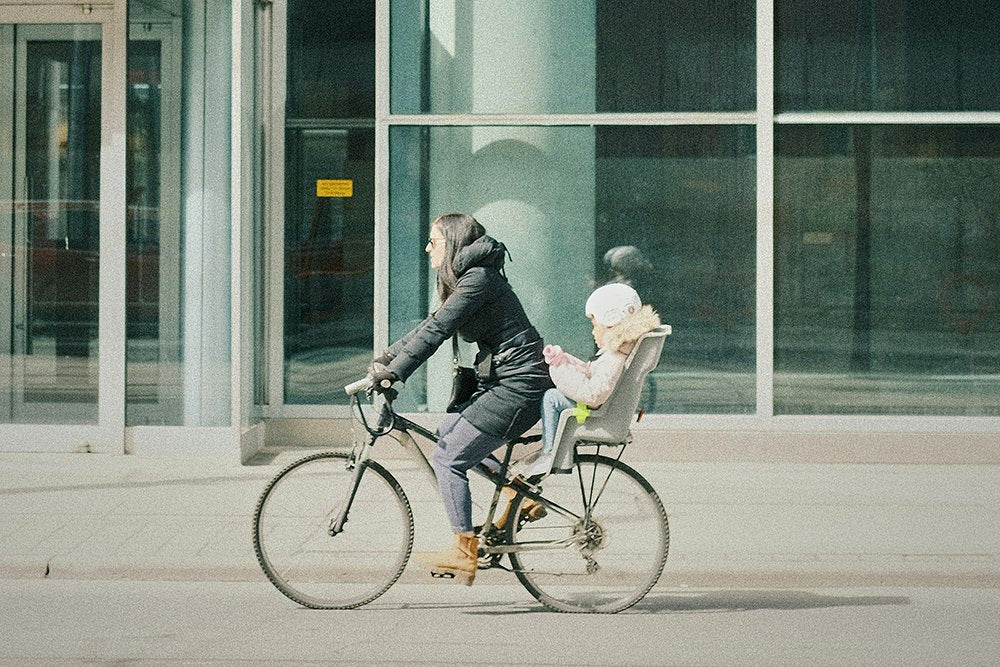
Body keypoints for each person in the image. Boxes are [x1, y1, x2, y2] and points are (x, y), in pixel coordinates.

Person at [369, 213, 552, 586]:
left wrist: (395, 374)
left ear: (451, 242)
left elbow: (438, 330)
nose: (426, 248)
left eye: (433, 241)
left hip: (521, 384)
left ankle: (464, 552)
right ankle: (523, 495)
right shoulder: (473, 278)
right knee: (448, 430)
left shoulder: (479, 279)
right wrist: (387, 358)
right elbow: (432, 322)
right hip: (509, 378)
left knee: (449, 457)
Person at [518, 283, 660, 479]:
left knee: (551, 397)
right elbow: (592, 374)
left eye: (595, 324)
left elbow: (594, 393)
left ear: (610, 320)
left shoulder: (615, 355)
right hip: (600, 410)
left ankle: (550, 453)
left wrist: (558, 367)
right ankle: (550, 450)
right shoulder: (618, 349)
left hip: (597, 414)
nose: (593, 331)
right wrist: (565, 361)